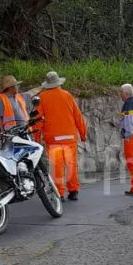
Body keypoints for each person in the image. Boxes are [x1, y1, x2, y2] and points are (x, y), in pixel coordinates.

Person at [35, 71, 87, 201]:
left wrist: (36, 139)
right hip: (70, 137)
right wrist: (83, 133)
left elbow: (37, 120)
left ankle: (60, 193)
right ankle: (73, 190)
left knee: (56, 166)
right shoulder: (67, 95)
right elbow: (78, 116)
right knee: (71, 164)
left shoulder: (42, 97)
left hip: (53, 139)